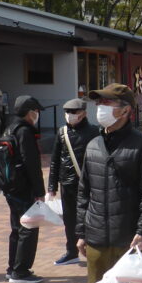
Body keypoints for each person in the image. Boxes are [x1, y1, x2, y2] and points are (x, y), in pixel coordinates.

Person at [76, 83, 142, 283]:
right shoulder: (93, 145)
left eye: (107, 103)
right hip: (97, 240)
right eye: (99, 103)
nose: (100, 108)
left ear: (125, 110)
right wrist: (81, 232)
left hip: (132, 242)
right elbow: (84, 192)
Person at [46, 98, 99, 267]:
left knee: (90, 218)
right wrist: (52, 186)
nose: (70, 115)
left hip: (89, 184)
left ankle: (94, 251)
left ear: (83, 113)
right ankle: (71, 252)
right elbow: (55, 160)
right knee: (69, 220)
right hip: (67, 184)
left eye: (74, 112)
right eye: (67, 112)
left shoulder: (94, 132)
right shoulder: (62, 132)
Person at [1, 96, 46, 283]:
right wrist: (40, 191)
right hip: (24, 188)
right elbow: (32, 164)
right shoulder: (25, 131)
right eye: (36, 111)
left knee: (16, 228)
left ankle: (12, 268)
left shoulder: (10, 128)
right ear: (29, 112)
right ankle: (21, 272)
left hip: (11, 187)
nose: (38, 114)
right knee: (29, 227)